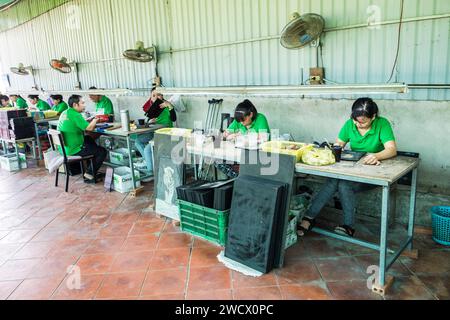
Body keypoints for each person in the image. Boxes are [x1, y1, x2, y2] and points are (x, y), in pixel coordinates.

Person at [297, 98, 398, 238]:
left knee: (344, 184)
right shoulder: (350, 124)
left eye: (363, 121)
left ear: (373, 117)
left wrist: (377, 156)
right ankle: (309, 217)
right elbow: (339, 144)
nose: (357, 124)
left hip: (374, 172)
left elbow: (392, 149)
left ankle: (347, 225)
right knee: (333, 180)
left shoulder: (382, 124)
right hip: (354, 168)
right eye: (355, 120)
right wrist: (332, 148)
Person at [57, 95, 107, 183]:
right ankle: (90, 174)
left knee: (89, 139)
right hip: (73, 149)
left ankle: (90, 168)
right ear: (75, 105)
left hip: (64, 148)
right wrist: (95, 119)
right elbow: (90, 128)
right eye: (82, 103)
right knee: (102, 151)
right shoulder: (76, 115)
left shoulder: (66, 112)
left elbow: (78, 125)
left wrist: (88, 121)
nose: (84, 105)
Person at [135, 87, 175, 180]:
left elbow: (173, 119)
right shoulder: (152, 107)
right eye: (153, 95)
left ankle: (151, 172)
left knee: (147, 149)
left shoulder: (166, 105)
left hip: (166, 132)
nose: (155, 97)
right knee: (138, 141)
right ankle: (151, 164)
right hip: (154, 131)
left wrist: (170, 106)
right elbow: (148, 121)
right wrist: (150, 121)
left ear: (161, 96)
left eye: (158, 95)